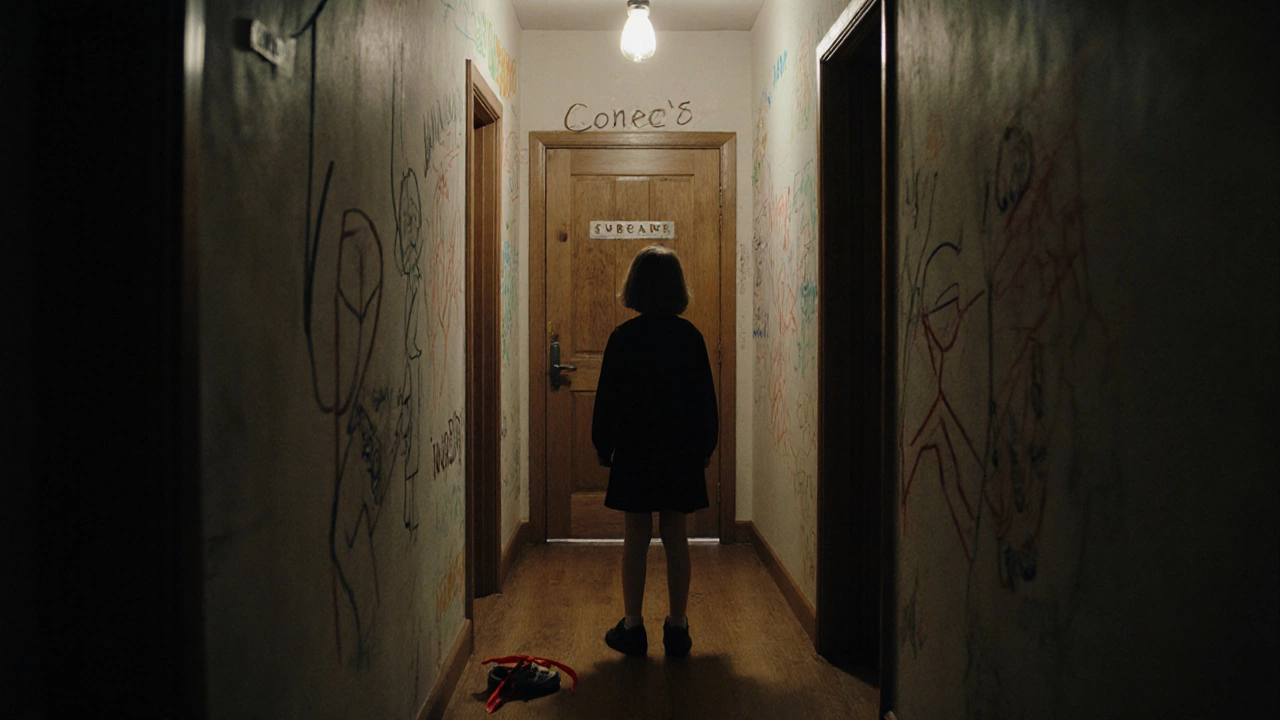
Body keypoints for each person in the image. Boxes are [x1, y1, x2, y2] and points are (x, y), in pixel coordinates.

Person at [592, 245, 719, 658]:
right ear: (677, 288)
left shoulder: (623, 337)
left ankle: (632, 627)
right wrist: (705, 447)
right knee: (676, 535)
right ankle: (678, 628)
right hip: (680, 449)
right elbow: (705, 401)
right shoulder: (691, 337)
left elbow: (607, 399)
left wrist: (603, 445)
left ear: (636, 287)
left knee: (635, 535)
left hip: (636, 449)